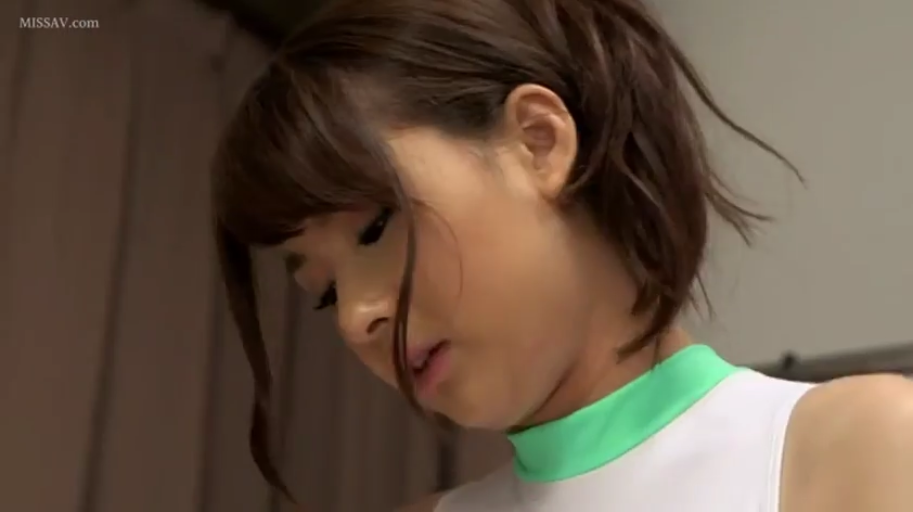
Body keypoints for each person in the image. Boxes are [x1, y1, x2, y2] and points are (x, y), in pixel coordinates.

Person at [210, 0, 913, 510]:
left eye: (374, 229)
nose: (356, 317)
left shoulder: (857, 449)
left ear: (538, 142)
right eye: (325, 291)